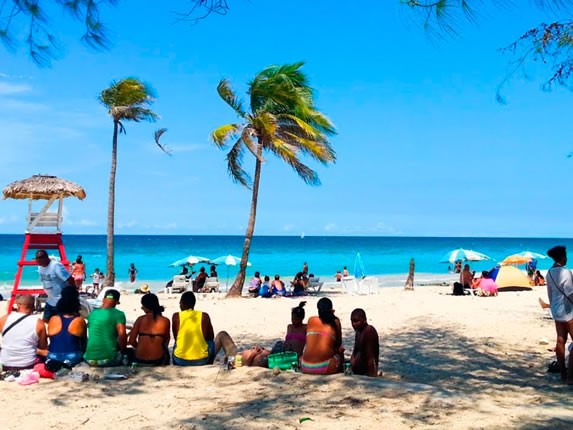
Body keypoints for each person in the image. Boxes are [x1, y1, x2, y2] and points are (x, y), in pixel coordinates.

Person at [172, 291, 237, 366]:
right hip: (202, 360)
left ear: (182, 303)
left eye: (180, 303)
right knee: (218, 337)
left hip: (180, 360)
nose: (179, 305)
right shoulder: (204, 316)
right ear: (193, 304)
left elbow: (176, 337)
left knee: (177, 343)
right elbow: (210, 337)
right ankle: (232, 362)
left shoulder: (176, 316)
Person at [546, 245, 573, 383]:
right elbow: (570, 293)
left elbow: (550, 294)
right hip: (568, 311)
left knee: (560, 340)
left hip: (556, 310)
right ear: (563, 257)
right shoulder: (566, 272)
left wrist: (553, 308)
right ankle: (570, 377)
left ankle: (563, 373)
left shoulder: (549, 273)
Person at [0, 295, 47, 371]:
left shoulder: (4, 319)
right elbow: (43, 346)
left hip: (6, 363)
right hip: (28, 364)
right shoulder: (39, 323)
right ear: (33, 306)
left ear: (18, 305)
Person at [84, 289, 127, 367]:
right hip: (108, 360)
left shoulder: (92, 314)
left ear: (103, 299)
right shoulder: (119, 314)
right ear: (117, 302)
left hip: (89, 359)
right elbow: (122, 335)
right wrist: (123, 351)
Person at [300, 297, 343, 375]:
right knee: (340, 352)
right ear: (331, 309)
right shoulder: (335, 322)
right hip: (326, 367)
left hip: (305, 366)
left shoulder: (311, 320)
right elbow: (338, 344)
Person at [47, 287, 87, 366]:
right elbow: (84, 342)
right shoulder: (79, 320)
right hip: (72, 356)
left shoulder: (53, 319)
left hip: (53, 356)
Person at [128, 293, 171, 365]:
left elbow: (131, 341)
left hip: (140, 358)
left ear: (145, 307)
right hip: (158, 359)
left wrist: (139, 347)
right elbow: (166, 341)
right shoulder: (165, 321)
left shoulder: (140, 319)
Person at [35, 249, 76, 322]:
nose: (38, 260)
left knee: (60, 323)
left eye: (40, 258)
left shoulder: (56, 266)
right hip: (50, 300)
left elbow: (70, 279)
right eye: (37, 258)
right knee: (46, 320)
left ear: (46, 257)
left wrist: (73, 296)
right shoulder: (40, 267)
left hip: (60, 301)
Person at [350, 308, 379, 377]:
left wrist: (372, 376)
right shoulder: (358, 331)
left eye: (357, 321)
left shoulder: (368, 331)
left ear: (364, 320)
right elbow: (355, 351)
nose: (354, 324)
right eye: (352, 321)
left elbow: (370, 357)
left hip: (365, 371)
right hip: (357, 369)